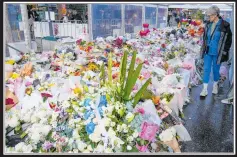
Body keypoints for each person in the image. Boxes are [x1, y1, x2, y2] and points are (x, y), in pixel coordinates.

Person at [200, 5, 232, 96]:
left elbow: (228, 40)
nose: (208, 17)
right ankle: (204, 89)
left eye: (209, 15)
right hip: (208, 51)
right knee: (206, 69)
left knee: (215, 70)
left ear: (215, 15)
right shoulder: (208, 24)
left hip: (218, 53)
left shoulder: (225, 25)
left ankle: (215, 86)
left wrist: (225, 51)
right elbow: (205, 38)